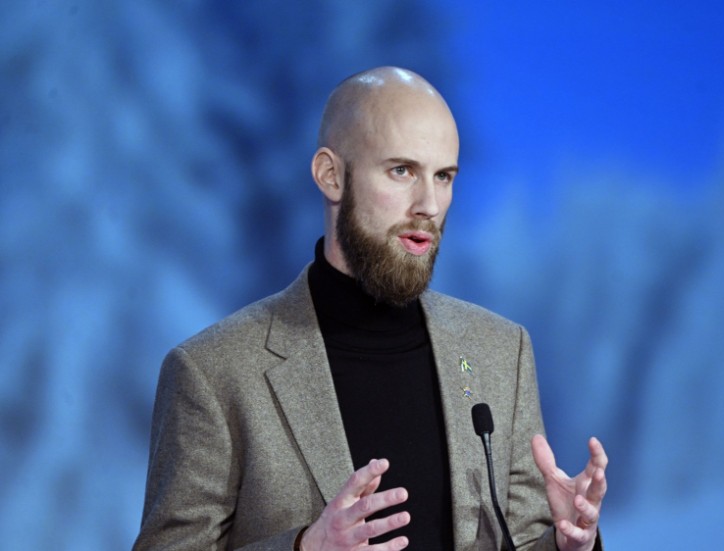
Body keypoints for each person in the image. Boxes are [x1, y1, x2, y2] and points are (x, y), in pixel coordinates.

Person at [134, 66, 607, 551]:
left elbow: (522, 538)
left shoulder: (500, 352)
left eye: (443, 176)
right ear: (331, 175)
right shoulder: (212, 373)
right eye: (402, 171)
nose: (429, 204)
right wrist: (305, 549)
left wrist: (570, 543)